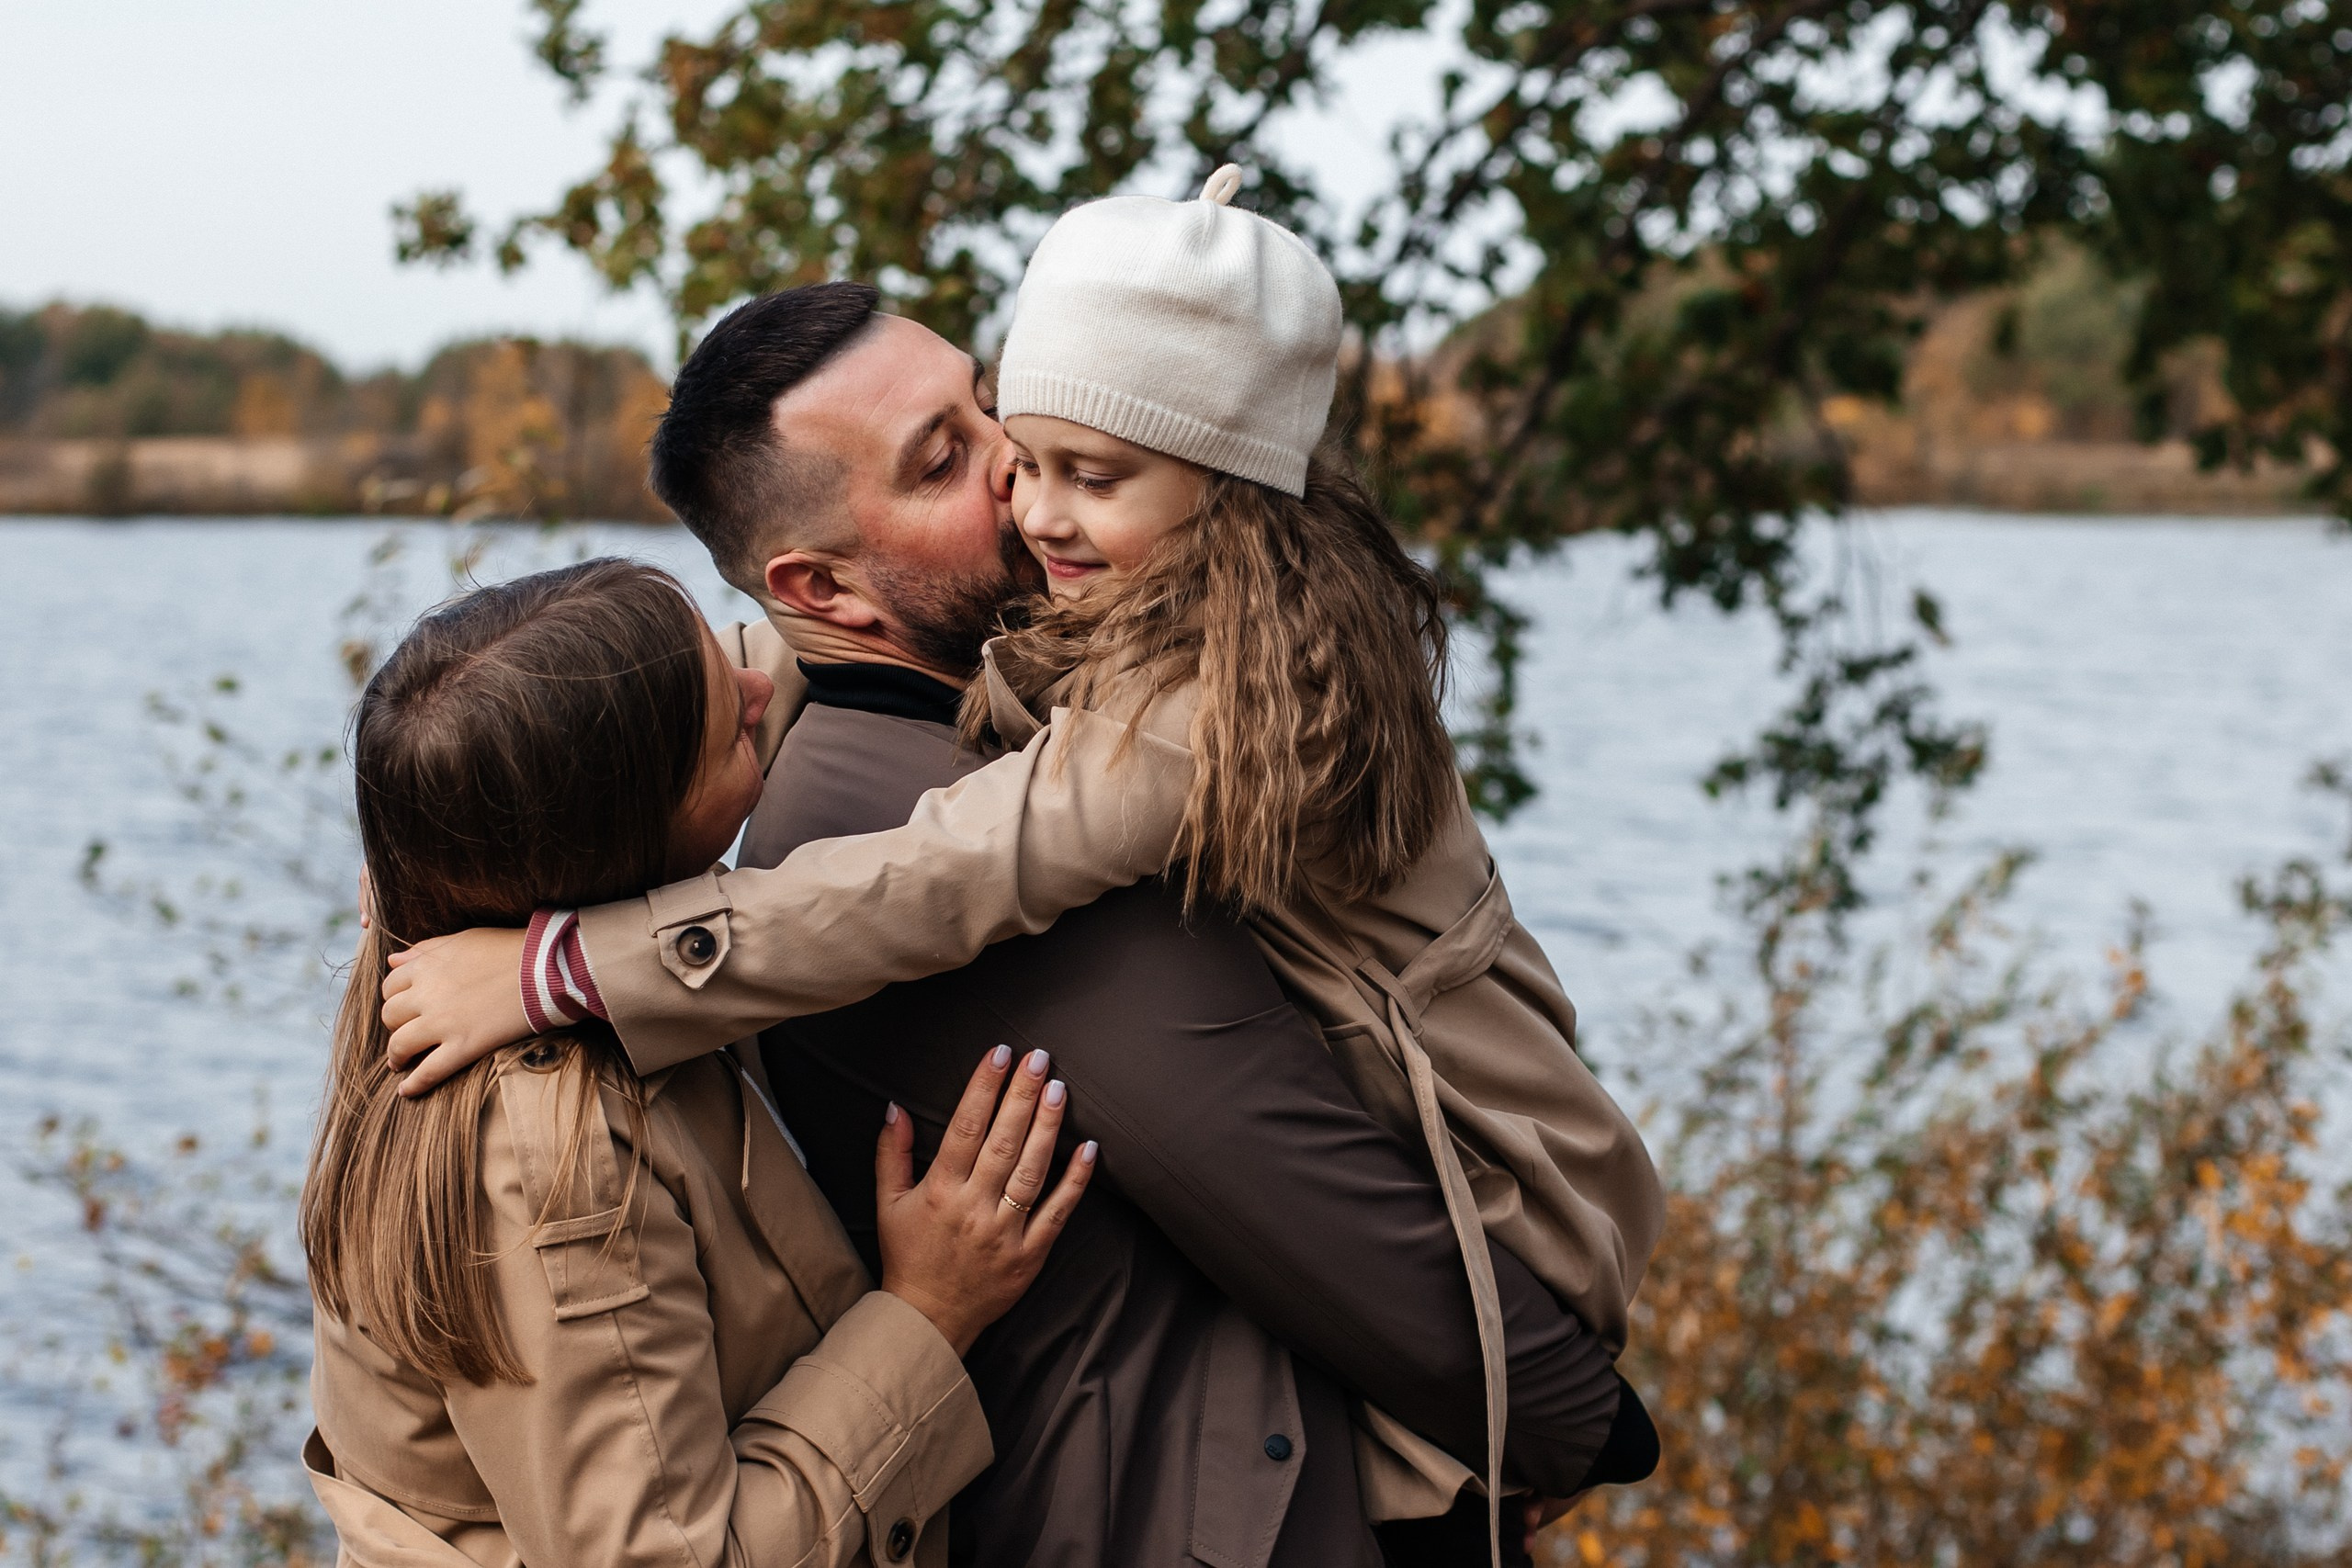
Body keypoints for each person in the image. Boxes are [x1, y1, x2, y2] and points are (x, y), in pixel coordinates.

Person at [379, 283, 1659, 1562]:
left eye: (987, 402)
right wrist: (1552, 1412)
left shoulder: (986, 691)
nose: (1019, 469)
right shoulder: (889, 818)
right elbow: (1272, 1159)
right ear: (822, 583)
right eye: (946, 457)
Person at [300, 558, 1097, 1568]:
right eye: (729, 725)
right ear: (629, 841)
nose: (763, 689)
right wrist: (927, 1311)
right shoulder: (547, 1156)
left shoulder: (466, 891)